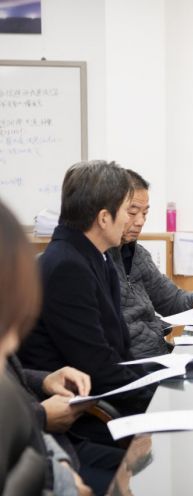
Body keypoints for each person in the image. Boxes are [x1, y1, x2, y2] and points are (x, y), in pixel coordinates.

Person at [18, 161, 152, 430]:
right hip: (80, 418)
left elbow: (120, 351)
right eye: (128, 210)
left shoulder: (95, 257)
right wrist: (160, 400)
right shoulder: (68, 267)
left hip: (107, 401)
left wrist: (159, 383)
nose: (131, 220)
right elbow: (98, 368)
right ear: (104, 218)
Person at [0, 199, 93, 496]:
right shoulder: (66, 264)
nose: (13, 343)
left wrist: (44, 379)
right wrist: (41, 414)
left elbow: (14, 378)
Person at [108, 170, 193, 358]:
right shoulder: (96, 260)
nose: (140, 221)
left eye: (145, 213)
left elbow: (171, 299)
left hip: (161, 354)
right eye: (133, 212)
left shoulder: (138, 254)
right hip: (135, 365)